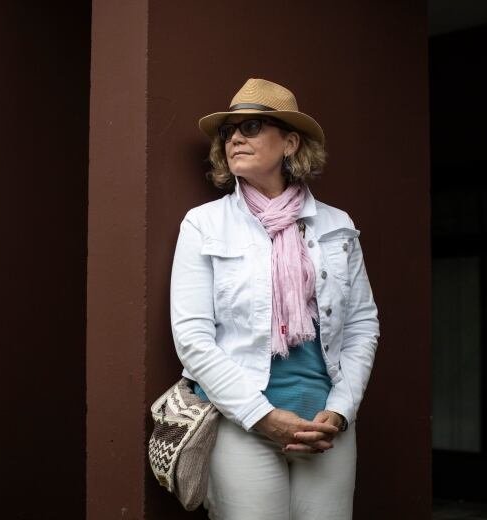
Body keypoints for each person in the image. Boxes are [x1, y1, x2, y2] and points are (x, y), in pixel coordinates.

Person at [170, 78, 379, 520]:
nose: (235, 139)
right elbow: (191, 336)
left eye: (252, 126)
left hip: (324, 425)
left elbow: (362, 325)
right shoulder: (204, 224)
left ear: (290, 142)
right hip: (242, 423)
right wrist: (261, 415)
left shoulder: (336, 225)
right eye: (229, 131)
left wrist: (340, 410)